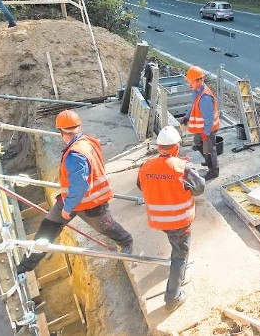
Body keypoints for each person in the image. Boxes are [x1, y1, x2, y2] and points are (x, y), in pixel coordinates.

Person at [16, 110, 133, 274]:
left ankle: (126, 241)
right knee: (47, 228)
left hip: (90, 203)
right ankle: (26, 266)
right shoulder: (88, 142)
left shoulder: (75, 155)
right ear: (79, 126)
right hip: (72, 199)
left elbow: (80, 186)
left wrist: (67, 208)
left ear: (60, 131)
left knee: (106, 227)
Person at [137, 126, 205, 313]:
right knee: (180, 257)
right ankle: (173, 297)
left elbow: (141, 185)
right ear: (176, 147)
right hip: (180, 222)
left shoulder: (146, 166)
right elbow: (199, 189)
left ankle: (174, 267)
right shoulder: (182, 168)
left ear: (159, 147)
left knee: (175, 245)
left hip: (159, 221)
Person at [180, 66, 220, 181]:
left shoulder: (205, 98)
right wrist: (186, 117)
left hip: (208, 129)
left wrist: (206, 133)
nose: (189, 84)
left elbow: (209, 119)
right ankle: (208, 161)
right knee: (198, 144)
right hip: (202, 129)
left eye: (191, 81)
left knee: (208, 149)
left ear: (199, 80)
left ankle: (213, 171)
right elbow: (193, 107)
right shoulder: (197, 91)